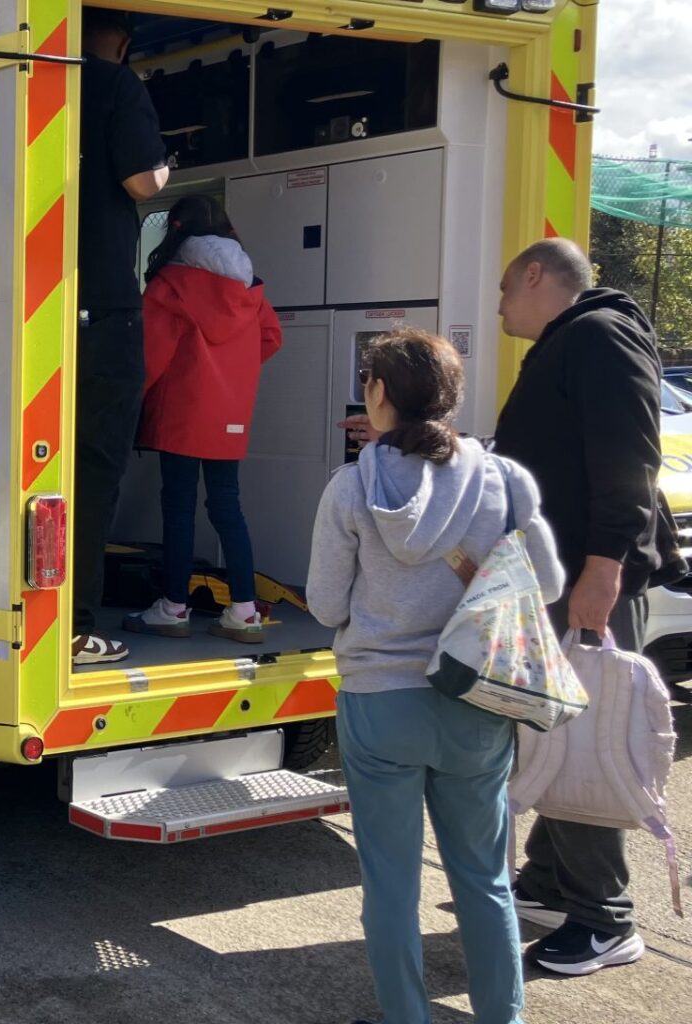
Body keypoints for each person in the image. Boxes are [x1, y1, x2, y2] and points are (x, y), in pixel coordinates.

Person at [310, 329, 561, 1024]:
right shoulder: (506, 480)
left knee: (390, 884)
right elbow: (546, 584)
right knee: (484, 881)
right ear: (450, 398)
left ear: (380, 395)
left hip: (380, 702)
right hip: (476, 698)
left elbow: (327, 604)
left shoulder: (351, 488)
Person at [491, 238, 678, 976]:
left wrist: (604, 568)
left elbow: (630, 457)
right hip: (563, 578)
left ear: (536, 275)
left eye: (506, 287)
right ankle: (548, 884)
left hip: (586, 581)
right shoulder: (576, 341)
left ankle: (606, 918)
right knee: (554, 735)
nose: (500, 302)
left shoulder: (599, 336)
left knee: (589, 736)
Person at [122, 195, 281, 644]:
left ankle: (173, 608)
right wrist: (233, 373)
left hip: (182, 413)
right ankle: (244, 611)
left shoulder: (169, 284)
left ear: (175, 230)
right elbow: (271, 337)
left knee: (178, 508)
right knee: (227, 507)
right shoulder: (251, 287)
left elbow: (151, 356)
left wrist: (136, 401)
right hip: (229, 414)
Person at [73, 7, 170, 665]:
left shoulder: (26, 83)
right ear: (124, 41)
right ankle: (75, 628)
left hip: (29, 311)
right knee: (92, 470)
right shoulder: (115, 86)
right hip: (103, 313)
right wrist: (164, 170)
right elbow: (140, 179)